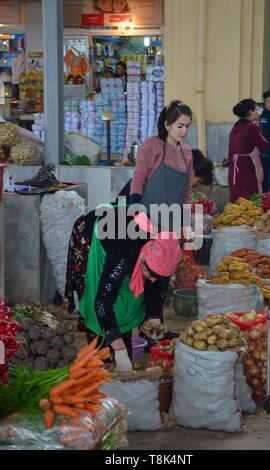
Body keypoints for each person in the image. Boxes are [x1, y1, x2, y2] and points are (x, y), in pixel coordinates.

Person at [65, 204, 181, 372]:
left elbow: (156, 290)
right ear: (142, 257)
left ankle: (121, 348)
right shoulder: (125, 251)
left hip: (127, 233)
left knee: (128, 300)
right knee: (95, 293)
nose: (154, 279)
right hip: (92, 235)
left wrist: (155, 321)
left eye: (159, 276)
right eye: (151, 272)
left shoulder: (165, 250)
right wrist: (119, 350)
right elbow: (102, 302)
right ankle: (99, 352)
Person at [129, 100, 194, 234]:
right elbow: (138, 180)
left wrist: (186, 222)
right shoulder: (151, 146)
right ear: (167, 125)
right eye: (180, 126)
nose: (184, 131)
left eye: (188, 126)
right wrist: (139, 217)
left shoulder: (187, 152)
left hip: (173, 223)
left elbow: (187, 191)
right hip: (147, 220)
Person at [228, 98, 269, 203]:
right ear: (250, 112)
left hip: (234, 169)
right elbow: (265, 145)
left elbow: (230, 153)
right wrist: (258, 125)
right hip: (248, 168)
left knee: (238, 198)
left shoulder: (235, 128)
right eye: (256, 110)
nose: (257, 112)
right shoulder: (251, 127)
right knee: (250, 199)